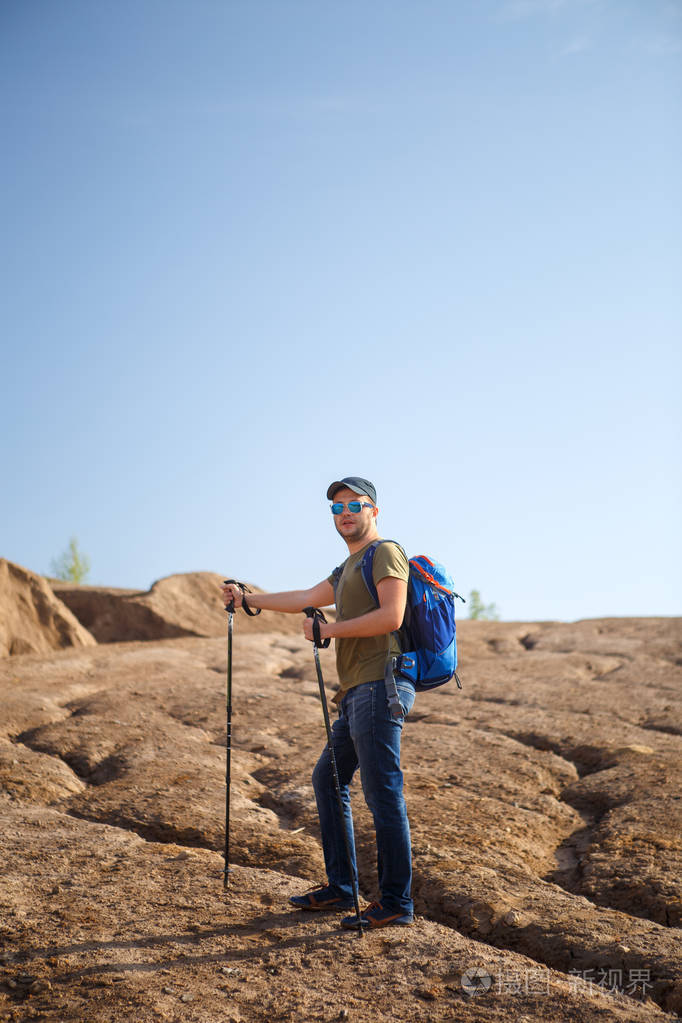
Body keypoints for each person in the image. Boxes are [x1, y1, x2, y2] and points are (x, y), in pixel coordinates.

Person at [221, 476, 416, 929]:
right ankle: (342, 888)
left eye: (356, 505)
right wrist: (248, 599)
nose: (345, 513)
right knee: (327, 780)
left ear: (374, 511)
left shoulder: (385, 552)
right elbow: (307, 599)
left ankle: (396, 903)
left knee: (382, 792)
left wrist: (326, 631)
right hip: (356, 692)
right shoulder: (347, 568)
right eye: (337, 507)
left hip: (380, 683)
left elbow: (393, 616)